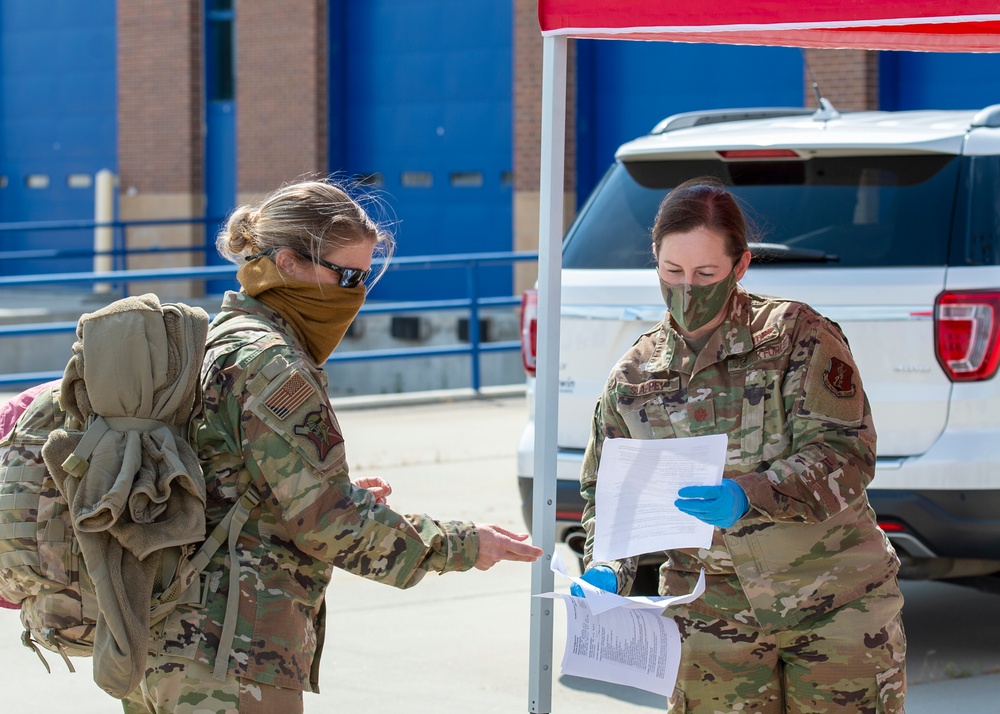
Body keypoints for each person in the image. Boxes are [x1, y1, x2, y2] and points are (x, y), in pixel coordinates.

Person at [122, 179, 542, 713]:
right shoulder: (273, 365)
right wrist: (463, 544)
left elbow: (224, 481)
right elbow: (327, 522)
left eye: (364, 278)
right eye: (346, 275)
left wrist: (329, 490)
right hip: (228, 658)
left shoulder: (219, 336)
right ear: (289, 262)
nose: (357, 293)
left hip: (163, 644)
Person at [574, 177, 905, 713]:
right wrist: (609, 564)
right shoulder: (633, 376)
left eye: (706, 273)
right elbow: (607, 491)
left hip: (833, 604)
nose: (688, 289)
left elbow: (847, 452)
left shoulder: (798, 335)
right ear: (654, 262)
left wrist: (752, 493)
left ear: (741, 265)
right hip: (711, 620)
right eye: (672, 272)